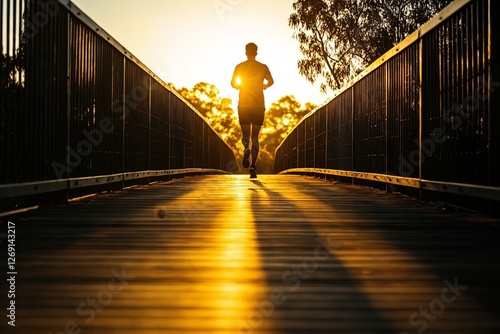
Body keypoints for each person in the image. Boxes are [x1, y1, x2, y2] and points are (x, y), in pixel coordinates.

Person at [231, 42, 274, 179]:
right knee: (255, 137)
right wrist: (264, 86)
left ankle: (246, 149)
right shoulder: (262, 67)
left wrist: (240, 85)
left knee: (246, 136)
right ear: (256, 52)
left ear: (245, 52)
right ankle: (253, 166)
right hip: (258, 106)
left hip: (243, 105)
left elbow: (233, 83)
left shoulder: (240, 67)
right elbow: (271, 81)